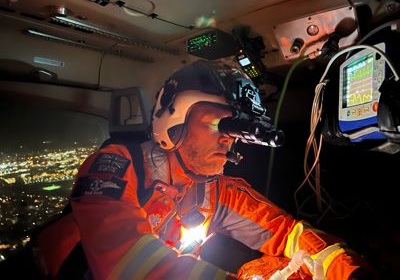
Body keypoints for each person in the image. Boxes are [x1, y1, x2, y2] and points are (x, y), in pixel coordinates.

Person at [34, 60, 374, 280]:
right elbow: (126, 265)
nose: (229, 141)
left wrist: (347, 270)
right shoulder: (117, 166)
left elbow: (288, 234)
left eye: (235, 130)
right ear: (174, 119)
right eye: (219, 124)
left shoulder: (214, 189)